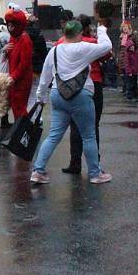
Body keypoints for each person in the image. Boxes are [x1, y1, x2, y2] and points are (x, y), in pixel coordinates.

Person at [30, 20, 114, 185]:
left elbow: (45, 76)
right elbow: (106, 47)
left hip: (57, 94)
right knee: (88, 136)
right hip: (80, 95)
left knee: (54, 135)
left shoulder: (54, 50)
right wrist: (102, 30)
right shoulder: (83, 47)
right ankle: (95, 173)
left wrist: (41, 97)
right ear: (79, 33)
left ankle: (38, 171)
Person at [58, 15, 112, 175]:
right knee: (93, 127)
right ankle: (95, 164)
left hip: (71, 86)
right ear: (87, 28)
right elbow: (107, 54)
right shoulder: (93, 43)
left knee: (74, 126)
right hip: (93, 83)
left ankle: (75, 162)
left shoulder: (62, 42)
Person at [4, 9, 33, 120]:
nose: (10, 28)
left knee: (19, 107)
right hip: (14, 79)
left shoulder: (24, 40)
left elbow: (24, 63)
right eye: (8, 25)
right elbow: (10, 57)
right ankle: (21, 126)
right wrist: (5, 50)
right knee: (16, 106)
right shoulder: (13, 38)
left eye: (12, 26)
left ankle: (23, 127)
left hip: (21, 80)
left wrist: (14, 76)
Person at [24, 12, 49, 112]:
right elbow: (44, 51)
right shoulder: (38, 33)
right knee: (37, 91)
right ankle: (37, 116)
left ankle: (29, 115)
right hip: (38, 68)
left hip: (26, 68)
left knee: (28, 95)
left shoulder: (21, 35)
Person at [119, 22, 138, 101]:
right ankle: (127, 91)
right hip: (123, 58)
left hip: (132, 57)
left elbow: (137, 46)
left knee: (132, 78)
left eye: (126, 27)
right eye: (123, 27)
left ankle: (133, 92)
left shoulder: (133, 35)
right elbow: (120, 48)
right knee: (126, 76)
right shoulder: (121, 37)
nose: (124, 28)